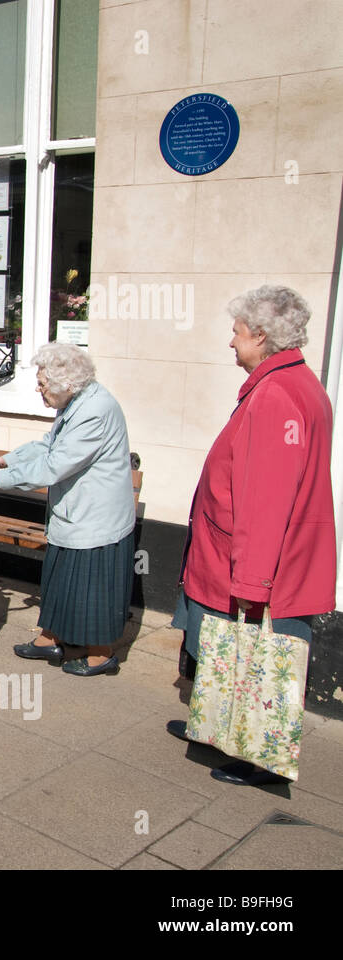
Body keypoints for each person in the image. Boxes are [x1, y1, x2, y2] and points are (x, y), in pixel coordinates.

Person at [167, 285, 335, 786]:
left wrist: (254, 584)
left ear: (261, 335)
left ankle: (257, 755)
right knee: (226, 653)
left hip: (258, 564)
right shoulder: (294, 384)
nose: (231, 342)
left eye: (237, 332)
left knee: (256, 657)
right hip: (254, 556)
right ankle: (217, 729)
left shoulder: (278, 395)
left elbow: (267, 502)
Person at [0, 342, 136, 676]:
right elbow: (48, 444)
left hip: (96, 518)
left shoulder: (96, 409)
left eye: (43, 383)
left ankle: (100, 655)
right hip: (75, 513)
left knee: (92, 588)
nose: (38, 388)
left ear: (66, 383)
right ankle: (50, 638)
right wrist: (8, 459)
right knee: (61, 579)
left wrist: (4, 478)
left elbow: (56, 465)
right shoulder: (76, 403)